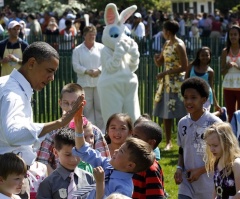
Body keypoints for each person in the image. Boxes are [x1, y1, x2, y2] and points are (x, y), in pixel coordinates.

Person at [0, 42, 83, 198]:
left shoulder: (6, 83)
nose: (52, 78)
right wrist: (59, 123)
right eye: (49, 71)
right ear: (32, 63)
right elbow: (13, 135)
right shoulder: (13, 93)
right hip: (7, 180)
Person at [72, 98, 155, 198]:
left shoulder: (124, 189)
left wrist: (100, 182)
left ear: (130, 165)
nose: (116, 151)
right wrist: (78, 126)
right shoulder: (107, 165)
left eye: (121, 151)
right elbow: (83, 150)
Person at [36, 83, 110, 174]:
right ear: (60, 103)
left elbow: (104, 162)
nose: (70, 108)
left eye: (74, 104)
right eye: (66, 103)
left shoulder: (94, 132)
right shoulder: (52, 132)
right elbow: (42, 162)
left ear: (83, 104)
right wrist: (57, 181)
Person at [174, 77, 222, 199]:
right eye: (185, 97)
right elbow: (182, 149)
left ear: (204, 100)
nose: (188, 101)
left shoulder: (215, 123)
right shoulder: (182, 123)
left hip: (210, 185)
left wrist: (200, 170)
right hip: (187, 183)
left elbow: (224, 155)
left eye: (193, 98)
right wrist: (179, 168)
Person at [153, 19, 188, 151]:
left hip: (178, 83)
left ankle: (183, 140)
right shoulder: (166, 44)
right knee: (166, 113)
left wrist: (166, 72)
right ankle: (168, 142)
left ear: (167, 31)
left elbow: (184, 66)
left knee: (180, 112)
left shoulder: (179, 45)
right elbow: (160, 63)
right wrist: (156, 59)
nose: (163, 32)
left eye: (163, 30)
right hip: (166, 83)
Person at [37, 127, 95, 199]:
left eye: (77, 154)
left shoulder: (89, 178)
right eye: (67, 155)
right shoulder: (48, 184)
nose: (73, 159)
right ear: (56, 152)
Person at [72, 25, 105, 132]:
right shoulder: (77, 50)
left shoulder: (101, 48)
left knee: (101, 108)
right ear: (84, 35)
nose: (92, 36)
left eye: (94, 34)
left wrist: (99, 70)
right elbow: (76, 65)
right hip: (84, 83)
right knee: (87, 109)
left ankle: (102, 132)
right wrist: (87, 71)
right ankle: (90, 132)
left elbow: (106, 63)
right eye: (90, 35)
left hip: (99, 82)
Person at [185, 46, 225, 118]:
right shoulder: (191, 67)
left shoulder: (210, 71)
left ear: (210, 56)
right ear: (199, 56)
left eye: (207, 55)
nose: (205, 57)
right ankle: (216, 114)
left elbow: (211, 87)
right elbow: (185, 81)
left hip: (205, 98)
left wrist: (216, 104)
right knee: (191, 116)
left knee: (203, 117)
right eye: (202, 55)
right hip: (192, 96)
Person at [203, 122, 240, 199]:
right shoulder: (217, 161)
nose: (211, 149)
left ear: (227, 143)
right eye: (209, 145)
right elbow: (216, 188)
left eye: (215, 145)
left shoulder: (236, 164)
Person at [132, 120, 165, 199]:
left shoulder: (150, 168)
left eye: (136, 136)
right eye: (132, 135)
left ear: (150, 143)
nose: (131, 139)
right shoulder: (131, 161)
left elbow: (156, 197)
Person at [220, 25, 240, 122]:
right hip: (228, 86)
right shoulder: (225, 51)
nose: (233, 37)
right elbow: (221, 72)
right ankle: (232, 134)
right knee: (230, 113)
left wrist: (237, 66)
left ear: (239, 36)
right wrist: (227, 67)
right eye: (231, 35)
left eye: (235, 34)